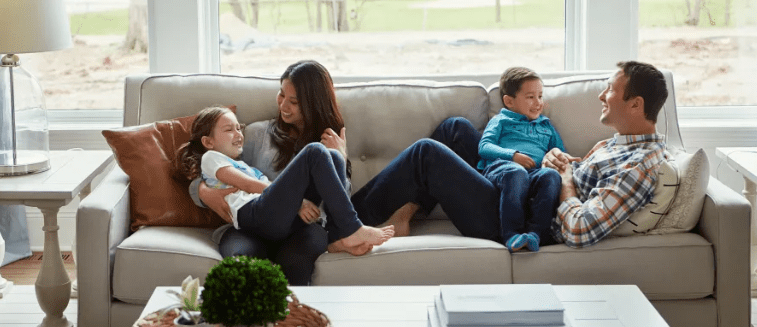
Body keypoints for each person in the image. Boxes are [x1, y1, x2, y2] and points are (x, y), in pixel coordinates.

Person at [191, 60, 369, 285]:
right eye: (281, 94)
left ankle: (293, 308)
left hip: (302, 228)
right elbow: (215, 167)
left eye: (294, 101)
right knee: (241, 260)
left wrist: (340, 158)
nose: (284, 105)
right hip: (252, 226)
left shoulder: (329, 144)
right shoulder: (257, 134)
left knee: (296, 260)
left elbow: (338, 203)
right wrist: (203, 192)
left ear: (313, 104)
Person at [178, 106, 393, 253]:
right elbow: (248, 185)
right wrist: (296, 201)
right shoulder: (211, 158)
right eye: (229, 129)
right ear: (208, 142)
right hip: (253, 215)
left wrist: (340, 159)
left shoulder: (245, 166)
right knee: (314, 151)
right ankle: (352, 227)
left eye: (238, 128)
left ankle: (340, 237)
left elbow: (268, 189)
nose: (239, 134)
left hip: (276, 219)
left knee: (333, 156)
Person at [542, 61, 671, 248]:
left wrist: (565, 182)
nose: (601, 96)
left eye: (610, 89)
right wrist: (556, 160)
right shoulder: (616, 144)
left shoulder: (639, 166)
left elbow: (579, 230)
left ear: (635, 104)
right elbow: (577, 179)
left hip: (532, 222)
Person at [349, 117, 501, 242]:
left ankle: (347, 223)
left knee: (425, 151)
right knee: (455, 128)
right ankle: (402, 215)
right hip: (503, 186)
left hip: (505, 216)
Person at [478, 67, 563, 252]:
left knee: (551, 176)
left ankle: (536, 234)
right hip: (503, 170)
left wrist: (565, 160)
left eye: (540, 96)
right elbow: (484, 147)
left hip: (534, 174)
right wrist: (513, 156)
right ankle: (511, 234)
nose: (538, 103)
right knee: (516, 172)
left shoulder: (546, 125)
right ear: (509, 101)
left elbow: (559, 152)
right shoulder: (501, 120)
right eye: (530, 97)